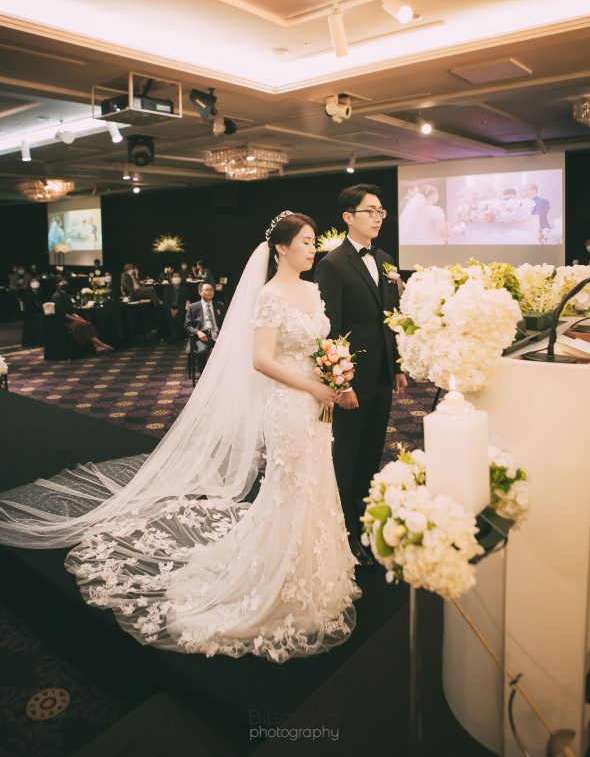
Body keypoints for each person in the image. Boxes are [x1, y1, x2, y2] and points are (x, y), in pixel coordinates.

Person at [0, 212, 358, 662]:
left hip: (317, 403)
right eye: (305, 241)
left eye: (313, 241)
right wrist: (312, 386)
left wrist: (335, 376)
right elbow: (262, 360)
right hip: (288, 404)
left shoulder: (311, 289)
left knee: (317, 477)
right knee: (292, 485)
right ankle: (278, 577)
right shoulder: (269, 296)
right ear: (282, 248)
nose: (312, 248)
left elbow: (319, 345)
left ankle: (316, 569)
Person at [315, 184, 407, 566]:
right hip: (352, 382)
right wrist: (342, 384)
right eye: (371, 211)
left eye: (381, 211)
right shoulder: (332, 264)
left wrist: (397, 366)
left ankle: (365, 526)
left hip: (382, 377)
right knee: (347, 456)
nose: (378, 217)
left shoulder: (385, 259)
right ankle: (345, 533)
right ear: (348, 217)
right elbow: (330, 330)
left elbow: (391, 319)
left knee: (372, 453)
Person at [51, 280, 113, 353]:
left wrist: (78, 317)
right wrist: (76, 320)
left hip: (71, 318)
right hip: (64, 321)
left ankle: (96, 346)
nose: (64, 284)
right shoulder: (57, 297)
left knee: (87, 323)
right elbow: (63, 314)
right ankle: (101, 344)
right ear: (58, 285)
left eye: (65, 282)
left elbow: (72, 311)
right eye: (62, 283)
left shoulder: (66, 296)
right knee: (83, 325)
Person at [184, 283, 226, 371]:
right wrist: (198, 332)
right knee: (202, 351)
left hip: (219, 336)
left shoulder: (220, 305)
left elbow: (226, 322)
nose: (209, 292)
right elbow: (187, 326)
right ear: (200, 292)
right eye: (207, 290)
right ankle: (203, 376)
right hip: (202, 337)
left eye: (211, 290)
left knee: (231, 349)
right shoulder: (193, 307)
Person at [162, 271, 189, 342]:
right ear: (171, 278)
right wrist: (171, 309)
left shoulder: (185, 289)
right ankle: (172, 334)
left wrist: (177, 310)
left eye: (178, 276)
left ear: (180, 278)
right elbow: (166, 301)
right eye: (174, 276)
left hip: (180, 307)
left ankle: (176, 335)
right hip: (169, 307)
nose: (176, 278)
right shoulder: (167, 288)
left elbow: (184, 301)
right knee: (168, 315)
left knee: (179, 315)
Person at [21, 277, 43, 346]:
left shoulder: (39, 293)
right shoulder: (28, 293)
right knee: (40, 317)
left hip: (38, 311)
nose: (35, 283)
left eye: (36, 281)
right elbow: (29, 306)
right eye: (33, 281)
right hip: (30, 314)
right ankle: (38, 342)